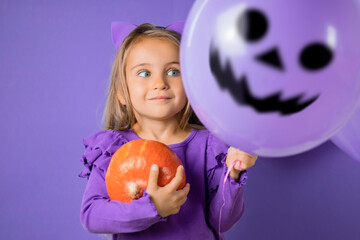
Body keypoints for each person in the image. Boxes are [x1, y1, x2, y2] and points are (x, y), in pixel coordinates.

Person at [79, 22, 257, 240]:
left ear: (190, 84)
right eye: (144, 73)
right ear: (122, 93)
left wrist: (234, 173)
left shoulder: (210, 146)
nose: (160, 83)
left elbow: (222, 220)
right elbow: (92, 216)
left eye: (173, 71)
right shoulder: (112, 147)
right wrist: (152, 207)